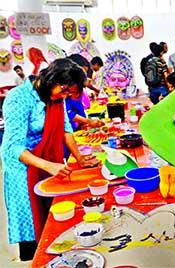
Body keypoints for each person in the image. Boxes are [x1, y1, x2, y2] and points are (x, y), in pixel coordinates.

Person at [1, 58, 101, 261]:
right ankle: (37, 260)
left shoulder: (56, 98)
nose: (65, 96)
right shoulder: (19, 98)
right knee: (32, 218)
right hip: (23, 169)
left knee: (52, 211)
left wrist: (80, 159)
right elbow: (13, 147)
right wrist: (50, 166)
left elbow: (66, 129)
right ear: (51, 80)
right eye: (64, 91)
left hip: (47, 161)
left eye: (68, 93)